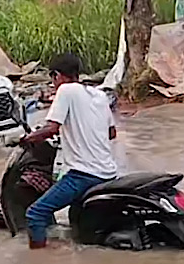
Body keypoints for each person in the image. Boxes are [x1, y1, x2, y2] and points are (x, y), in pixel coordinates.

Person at [20, 53, 119, 249]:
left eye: (53, 79)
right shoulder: (98, 94)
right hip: (109, 173)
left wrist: (25, 139)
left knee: (35, 214)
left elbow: (51, 128)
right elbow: (111, 133)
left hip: (83, 176)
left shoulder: (65, 91)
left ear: (57, 75)